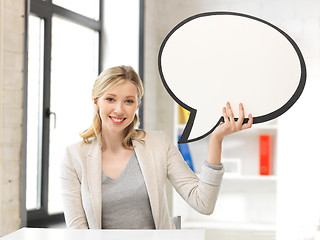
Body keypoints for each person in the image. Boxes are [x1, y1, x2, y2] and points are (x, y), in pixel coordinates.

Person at [60, 65, 253, 229]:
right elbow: (78, 232)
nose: (119, 109)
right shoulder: (74, 156)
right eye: (110, 99)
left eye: (128, 101)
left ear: (137, 105)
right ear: (96, 102)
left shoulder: (158, 144)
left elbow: (203, 203)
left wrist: (216, 139)